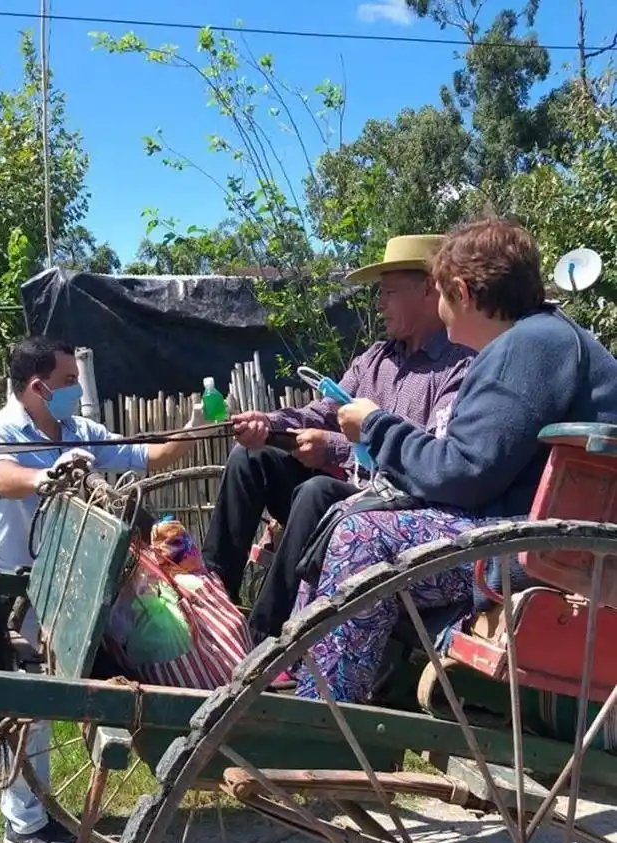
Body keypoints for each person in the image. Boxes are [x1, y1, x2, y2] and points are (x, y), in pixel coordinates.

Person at [290, 218, 617, 702]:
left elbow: (463, 472)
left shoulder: (527, 348)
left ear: (461, 292)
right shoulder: (539, 341)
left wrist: (377, 427)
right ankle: (319, 680)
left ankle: (321, 713)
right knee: (358, 515)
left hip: (549, 547)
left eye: (441, 296)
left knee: (363, 536)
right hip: (557, 536)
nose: (441, 314)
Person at [0, 336, 202, 843]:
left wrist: (196, 425)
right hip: (15, 588)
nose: (77, 389)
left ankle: (44, 806)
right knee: (30, 705)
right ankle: (25, 824)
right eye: (70, 382)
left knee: (61, 693)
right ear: (37, 386)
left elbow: (150, 455)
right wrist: (45, 477)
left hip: (74, 582)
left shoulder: (81, 432)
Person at [201, 234, 475, 645]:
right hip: (348, 496)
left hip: (395, 510)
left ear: (428, 288)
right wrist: (270, 424)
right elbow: (322, 411)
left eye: (387, 291)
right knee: (250, 457)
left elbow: (433, 456)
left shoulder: (459, 367)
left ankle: (264, 643)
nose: (378, 303)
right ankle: (209, 602)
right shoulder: (375, 359)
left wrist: (335, 449)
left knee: (318, 492)